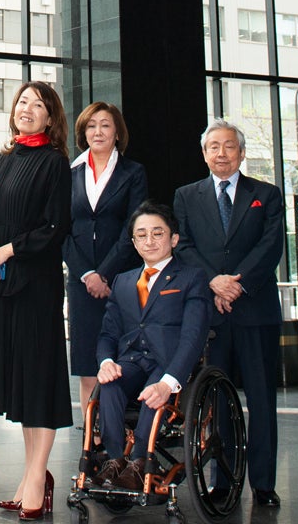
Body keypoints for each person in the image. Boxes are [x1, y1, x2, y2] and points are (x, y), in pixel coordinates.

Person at [173, 119, 284, 509]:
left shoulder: (266, 194)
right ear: (204, 154)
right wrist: (213, 282)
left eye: (229, 146)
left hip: (256, 310)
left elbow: (271, 246)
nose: (221, 153)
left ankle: (264, 483)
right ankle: (223, 480)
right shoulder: (186, 196)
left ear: (242, 152)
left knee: (261, 399)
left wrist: (237, 284)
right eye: (213, 147)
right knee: (217, 401)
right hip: (211, 313)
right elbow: (183, 246)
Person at [0, 80, 73, 520]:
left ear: (50, 117)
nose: (26, 108)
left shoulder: (55, 162)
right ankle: (31, 475)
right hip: (5, 284)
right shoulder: (8, 158)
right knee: (22, 384)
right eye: (22, 102)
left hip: (37, 284)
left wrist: (7, 251)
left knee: (40, 382)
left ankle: (37, 478)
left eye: (37, 104)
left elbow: (55, 227)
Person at [91, 201, 209, 490]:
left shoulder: (191, 278)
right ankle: (115, 460)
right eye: (141, 235)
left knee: (153, 394)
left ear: (174, 239)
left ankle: (140, 462)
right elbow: (107, 334)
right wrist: (106, 362)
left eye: (158, 233)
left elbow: (193, 336)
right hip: (132, 361)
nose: (149, 241)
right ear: (133, 242)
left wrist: (169, 383)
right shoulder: (122, 281)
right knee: (109, 384)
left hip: (168, 362)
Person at [66, 102, 148, 408]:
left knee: (124, 361)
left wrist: (104, 273)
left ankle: (123, 428)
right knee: (88, 365)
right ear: (83, 132)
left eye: (105, 125)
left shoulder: (133, 172)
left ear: (117, 133)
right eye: (91, 126)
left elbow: (134, 227)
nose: (97, 131)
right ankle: (92, 430)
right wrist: (87, 274)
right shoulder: (70, 172)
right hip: (81, 282)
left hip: (121, 279)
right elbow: (60, 229)